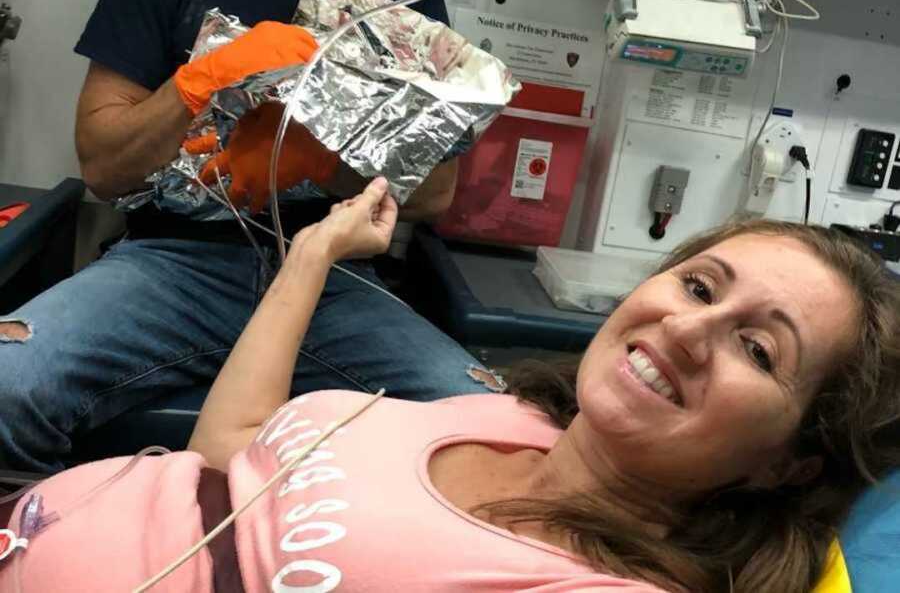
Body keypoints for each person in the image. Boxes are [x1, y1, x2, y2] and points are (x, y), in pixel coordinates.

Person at [0, 0, 500, 475]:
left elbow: (434, 194)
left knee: (490, 433)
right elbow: (103, 163)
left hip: (332, 278)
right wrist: (203, 81)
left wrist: (324, 156)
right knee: (7, 384)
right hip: (173, 265)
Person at [2, 184, 898, 593]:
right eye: (699, 286)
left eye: (757, 349)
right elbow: (229, 455)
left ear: (788, 464)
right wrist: (313, 252)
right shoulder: (500, 413)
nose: (687, 328)